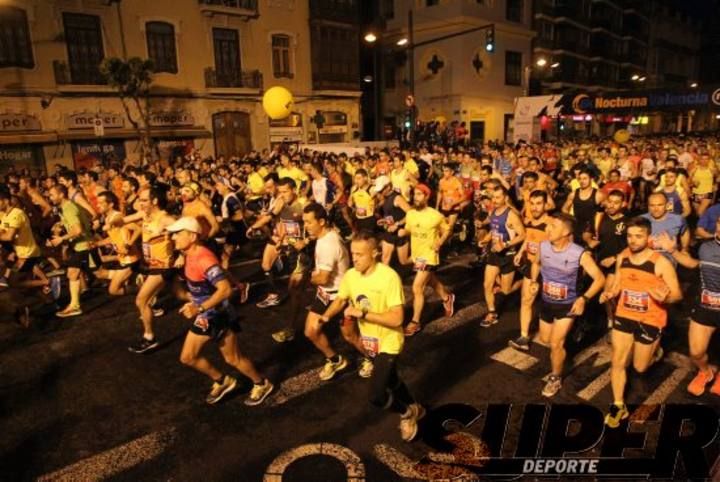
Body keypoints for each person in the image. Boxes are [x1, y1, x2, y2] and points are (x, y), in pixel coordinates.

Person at [318, 232, 425, 441]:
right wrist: (325, 316)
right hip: (370, 341)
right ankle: (415, 406)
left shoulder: (389, 277)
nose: (355, 258)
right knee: (392, 380)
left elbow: (397, 319)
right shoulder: (351, 275)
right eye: (353, 253)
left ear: (375, 253)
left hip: (389, 341)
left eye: (360, 254)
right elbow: (341, 300)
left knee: (376, 395)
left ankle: (406, 413)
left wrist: (363, 313)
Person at [169, 217, 274, 406]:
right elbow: (217, 276)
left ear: (192, 236)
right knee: (189, 357)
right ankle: (223, 380)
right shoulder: (189, 254)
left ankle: (261, 383)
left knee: (233, 358)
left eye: (178, 233)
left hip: (217, 314)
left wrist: (199, 307)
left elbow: (224, 290)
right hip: (207, 313)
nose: (173, 237)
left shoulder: (203, 258)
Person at [600, 217, 682, 427]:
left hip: (650, 319)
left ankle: (657, 350)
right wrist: (610, 293)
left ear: (648, 237)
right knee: (617, 361)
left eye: (638, 236)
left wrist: (665, 298)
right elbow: (618, 283)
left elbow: (677, 295)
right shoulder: (623, 257)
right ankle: (619, 406)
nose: (633, 240)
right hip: (625, 315)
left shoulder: (660, 263)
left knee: (639, 367)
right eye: (630, 236)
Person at [529, 212, 605, 397]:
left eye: (552, 227)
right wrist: (534, 281)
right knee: (546, 340)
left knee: (556, 344)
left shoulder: (579, 254)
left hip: (568, 305)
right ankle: (576, 330)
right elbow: (536, 263)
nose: (547, 229)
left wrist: (583, 299)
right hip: (547, 302)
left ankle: (555, 378)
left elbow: (599, 279)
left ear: (565, 232)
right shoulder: (544, 246)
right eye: (548, 226)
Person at [657, 218, 720, 397]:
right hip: (705, 309)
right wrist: (672, 251)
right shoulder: (706, 248)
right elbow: (694, 264)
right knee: (696, 352)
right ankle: (705, 372)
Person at [297, 203, 355, 377]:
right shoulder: (324, 236)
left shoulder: (328, 244)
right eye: (304, 222)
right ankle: (336, 360)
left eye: (308, 222)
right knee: (311, 331)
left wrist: (306, 277)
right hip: (324, 294)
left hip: (339, 297)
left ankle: (372, 359)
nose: (305, 226)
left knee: (350, 336)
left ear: (321, 221)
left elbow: (322, 278)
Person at [398, 184, 455, 336]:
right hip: (417, 254)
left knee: (417, 287)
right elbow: (410, 229)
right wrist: (401, 231)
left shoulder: (436, 215)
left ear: (427, 196)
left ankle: (415, 322)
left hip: (429, 255)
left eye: (419, 194)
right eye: (414, 194)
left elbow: (448, 229)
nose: (415, 197)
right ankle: (447, 297)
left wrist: (440, 241)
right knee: (430, 281)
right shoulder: (410, 214)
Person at [129, 185, 176, 354]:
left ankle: (149, 338)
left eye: (143, 200)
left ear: (154, 201)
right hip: (152, 266)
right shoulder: (145, 216)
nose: (140, 203)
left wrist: (180, 253)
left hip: (163, 267)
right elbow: (124, 220)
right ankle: (217, 303)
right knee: (183, 295)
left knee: (141, 300)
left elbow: (186, 231)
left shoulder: (165, 219)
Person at [47, 185, 97, 318]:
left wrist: (61, 239)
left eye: (52, 194)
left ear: (61, 195)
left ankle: (136, 276)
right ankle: (74, 305)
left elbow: (77, 230)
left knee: (100, 273)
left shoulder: (68, 207)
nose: (49, 197)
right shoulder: (66, 207)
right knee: (72, 273)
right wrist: (61, 225)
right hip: (79, 245)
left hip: (83, 245)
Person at [509, 190, 550, 351]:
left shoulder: (551, 225)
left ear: (546, 205)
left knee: (549, 306)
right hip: (530, 268)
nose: (534, 207)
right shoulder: (531, 221)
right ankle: (524, 336)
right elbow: (528, 238)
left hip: (547, 272)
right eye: (532, 203)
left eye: (539, 203)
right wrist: (520, 253)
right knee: (526, 301)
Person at [480, 187, 525, 327]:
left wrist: (505, 245)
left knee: (506, 290)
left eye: (498, 197)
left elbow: (523, 234)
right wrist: (486, 239)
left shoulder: (511, 215)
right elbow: (494, 231)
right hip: (494, 254)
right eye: (493, 197)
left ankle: (524, 281)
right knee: (487, 284)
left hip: (507, 255)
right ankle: (492, 313)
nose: (495, 200)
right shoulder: (492, 212)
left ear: (505, 198)